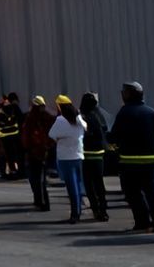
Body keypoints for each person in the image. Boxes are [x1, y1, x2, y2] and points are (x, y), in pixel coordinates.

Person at [110, 81, 154, 233]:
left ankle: (142, 221)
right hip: (150, 159)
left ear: (128, 94)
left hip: (129, 160)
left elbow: (114, 135)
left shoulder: (124, 113)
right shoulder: (152, 113)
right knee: (152, 192)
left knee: (133, 193)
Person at [48, 95, 87, 224]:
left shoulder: (60, 120)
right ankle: (78, 209)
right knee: (78, 184)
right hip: (79, 155)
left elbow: (51, 134)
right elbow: (85, 129)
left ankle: (75, 213)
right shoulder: (78, 118)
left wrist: (61, 138)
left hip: (65, 157)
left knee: (71, 186)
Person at [80, 92, 112, 221]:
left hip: (86, 156)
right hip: (99, 155)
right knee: (99, 184)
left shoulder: (83, 117)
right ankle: (103, 210)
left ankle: (96, 210)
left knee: (89, 185)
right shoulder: (98, 116)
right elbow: (104, 130)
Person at [21, 96, 55, 210]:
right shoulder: (48, 118)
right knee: (40, 178)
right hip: (43, 152)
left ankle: (41, 201)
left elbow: (26, 137)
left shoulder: (30, 119)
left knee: (36, 178)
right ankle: (40, 201)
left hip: (34, 153)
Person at [0, 94, 22, 180]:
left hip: (3, 135)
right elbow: (20, 119)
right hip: (14, 134)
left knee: (7, 154)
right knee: (16, 153)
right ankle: (17, 172)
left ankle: (8, 171)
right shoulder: (14, 107)